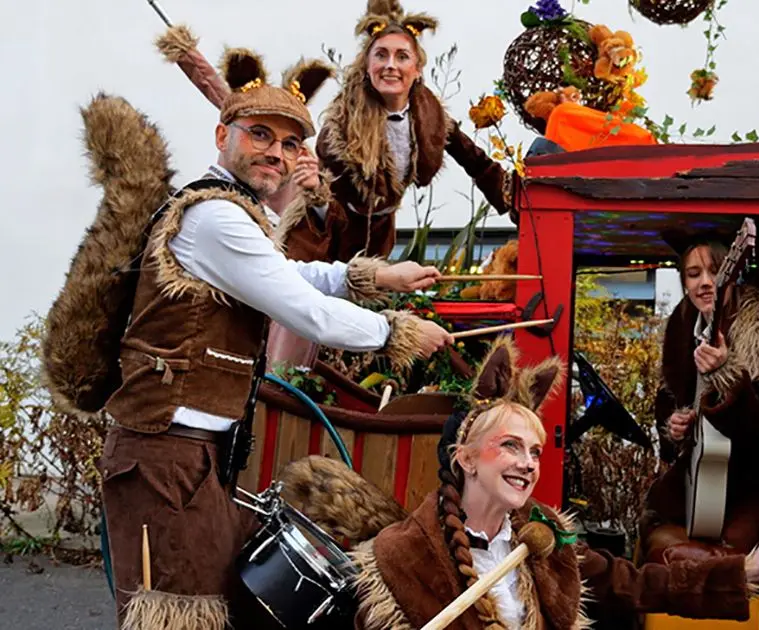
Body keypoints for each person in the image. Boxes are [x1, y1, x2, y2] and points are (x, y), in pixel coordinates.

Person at [93, 48, 455, 630]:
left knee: (212, 608)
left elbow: (285, 276)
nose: (276, 154)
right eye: (260, 134)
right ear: (222, 134)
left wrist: (366, 276)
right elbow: (304, 312)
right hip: (163, 456)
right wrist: (396, 330)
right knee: (176, 618)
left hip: (194, 454)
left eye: (289, 144)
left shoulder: (239, 215)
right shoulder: (215, 218)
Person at [280, 338, 759, 629]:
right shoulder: (400, 556)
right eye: (510, 446)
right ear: (466, 458)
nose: (527, 463)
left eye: (535, 451)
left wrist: (741, 570)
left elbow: (633, 584)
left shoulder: (543, 540)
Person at [281, 0, 516, 263]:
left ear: (416, 71)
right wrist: (316, 189)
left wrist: (513, 197)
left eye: (402, 56)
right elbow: (327, 198)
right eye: (381, 55)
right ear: (367, 67)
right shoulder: (341, 126)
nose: (390, 65)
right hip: (324, 235)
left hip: (380, 231)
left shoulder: (429, 115)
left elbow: (476, 161)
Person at [639, 231, 759, 563]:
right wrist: (673, 426)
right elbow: (666, 401)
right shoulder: (681, 327)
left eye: (715, 271)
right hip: (695, 481)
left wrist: (726, 371)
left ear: (733, 272)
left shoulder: (755, 327)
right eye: (694, 274)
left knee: (732, 555)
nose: (705, 282)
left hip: (747, 483)